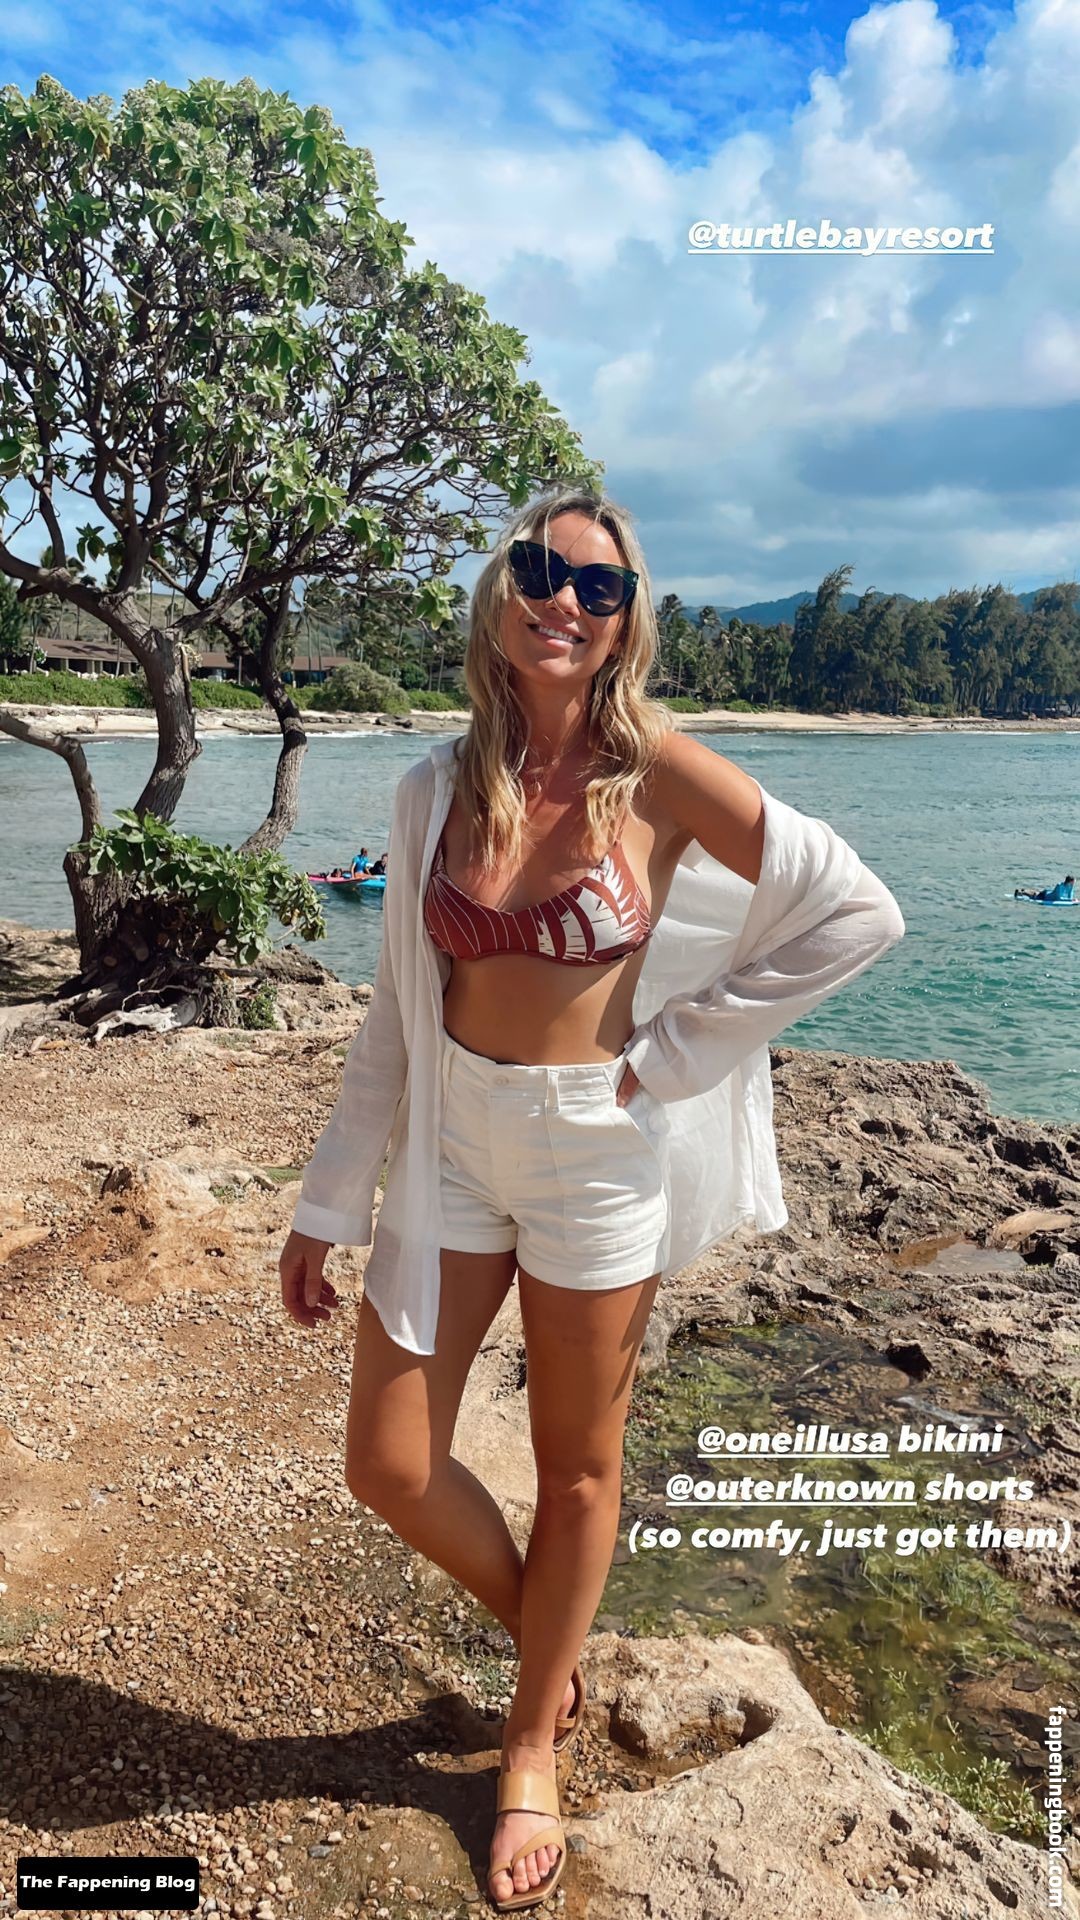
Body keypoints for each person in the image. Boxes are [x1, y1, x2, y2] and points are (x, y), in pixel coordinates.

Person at [278, 489, 905, 1912]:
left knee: (575, 1472)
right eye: (540, 571)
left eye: (599, 588)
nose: (564, 600)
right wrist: (328, 1199)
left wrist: (675, 1052)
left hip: (594, 1152)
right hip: (451, 1140)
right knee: (387, 1461)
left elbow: (857, 910)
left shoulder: (658, 771)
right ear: (501, 593)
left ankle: (527, 1751)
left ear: (626, 623)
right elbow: (393, 1014)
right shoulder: (434, 788)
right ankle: (547, 1644)